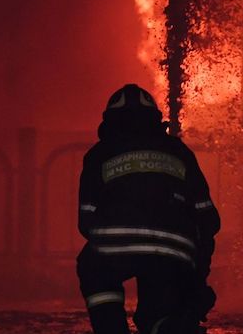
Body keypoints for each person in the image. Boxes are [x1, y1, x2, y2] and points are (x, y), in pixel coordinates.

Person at [77, 84, 220, 334]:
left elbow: (85, 220)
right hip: (174, 248)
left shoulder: (98, 154)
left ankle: (112, 327)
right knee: (161, 317)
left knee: (93, 268)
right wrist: (197, 279)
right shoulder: (179, 151)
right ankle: (164, 323)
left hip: (114, 245)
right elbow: (208, 219)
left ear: (109, 121)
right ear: (155, 118)